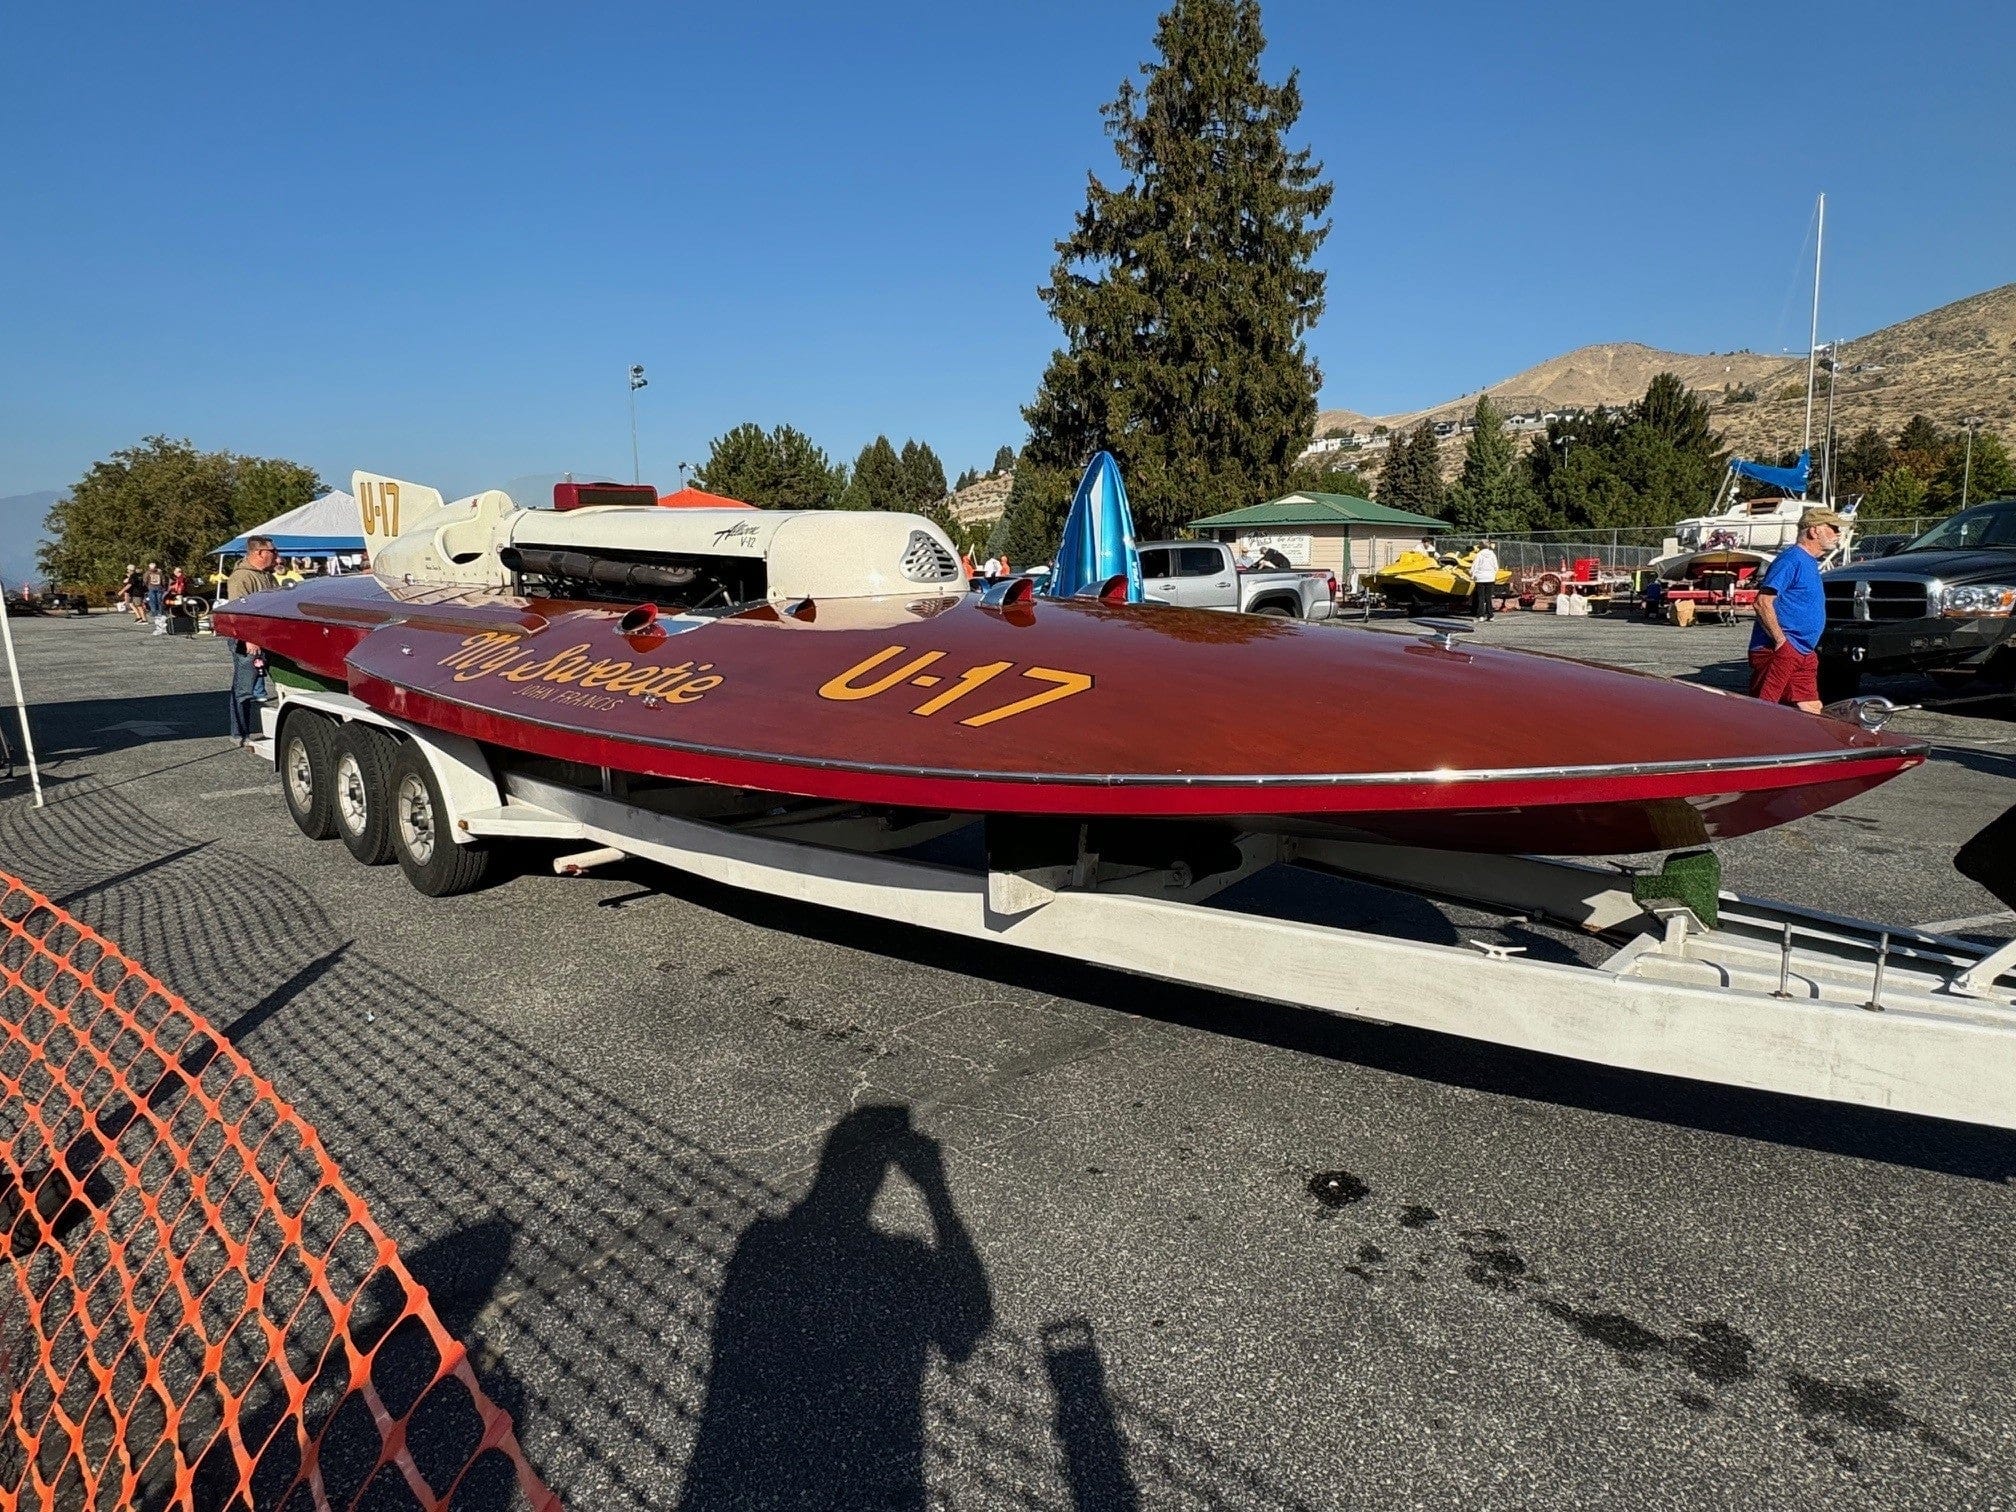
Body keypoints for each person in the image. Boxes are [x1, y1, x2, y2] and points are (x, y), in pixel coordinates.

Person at [1748, 507, 1845, 713]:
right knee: (1763, 710)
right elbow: (1762, 602)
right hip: (1781, 650)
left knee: (1811, 708)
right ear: (1814, 531)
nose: (1838, 534)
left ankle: (1814, 745)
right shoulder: (1791, 560)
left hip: (1804, 651)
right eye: (1834, 528)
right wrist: (1781, 642)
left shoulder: (1809, 562)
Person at [226, 537, 280, 747]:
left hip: (266, 638)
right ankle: (240, 732)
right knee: (244, 688)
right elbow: (238, 612)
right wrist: (249, 639)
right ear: (259, 553)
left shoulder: (267, 576)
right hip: (247, 640)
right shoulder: (241, 578)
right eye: (273, 551)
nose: (276, 555)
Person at [1468, 539, 1500, 621]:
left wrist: (1472, 573)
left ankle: (1481, 615)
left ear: (1481, 546)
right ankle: (1490, 615)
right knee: (1488, 597)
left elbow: (1475, 565)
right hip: (1490, 577)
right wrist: (1493, 573)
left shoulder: (1479, 554)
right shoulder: (1492, 554)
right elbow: (1496, 566)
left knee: (1481, 597)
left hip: (1480, 578)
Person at [143, 562, 167, 634]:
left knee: (154, 601)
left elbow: (145, 580)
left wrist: (147, 585)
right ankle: (158, 612)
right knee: (157, 601)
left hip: (154, 588)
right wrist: (163, 586)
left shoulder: (148, 573)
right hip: (156, 588)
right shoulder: (159, 572)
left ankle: (155, 612)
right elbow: (163, 580)